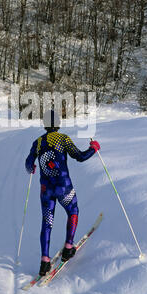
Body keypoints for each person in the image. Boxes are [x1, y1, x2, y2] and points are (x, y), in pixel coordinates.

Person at [25, 109, 100, 276]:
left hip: (46, 190)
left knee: (47, 222)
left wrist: (32, 167)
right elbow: (79, 157)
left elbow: (28, 164)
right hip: (63, 187)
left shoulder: (37, 142)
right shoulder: (63, 138)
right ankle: (68, 247)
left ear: (45, 124)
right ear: (58, 124)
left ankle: (44, 261)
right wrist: (93, 148)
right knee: (73, 211)